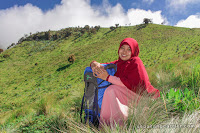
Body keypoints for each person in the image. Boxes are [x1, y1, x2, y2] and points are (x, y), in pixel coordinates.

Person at [90, 38, 160, 126]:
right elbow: (104, 65)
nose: (124, 52)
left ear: (134, 51)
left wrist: (107, 77)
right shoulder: (118, 63)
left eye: (129, 49)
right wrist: (94, 64)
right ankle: (107, 126)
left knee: (112, 90)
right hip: (127, 94)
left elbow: (131, 83)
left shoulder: (136, 62)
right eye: (122, 48)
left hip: (141, 96)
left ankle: (121, 125)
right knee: (111, 90)